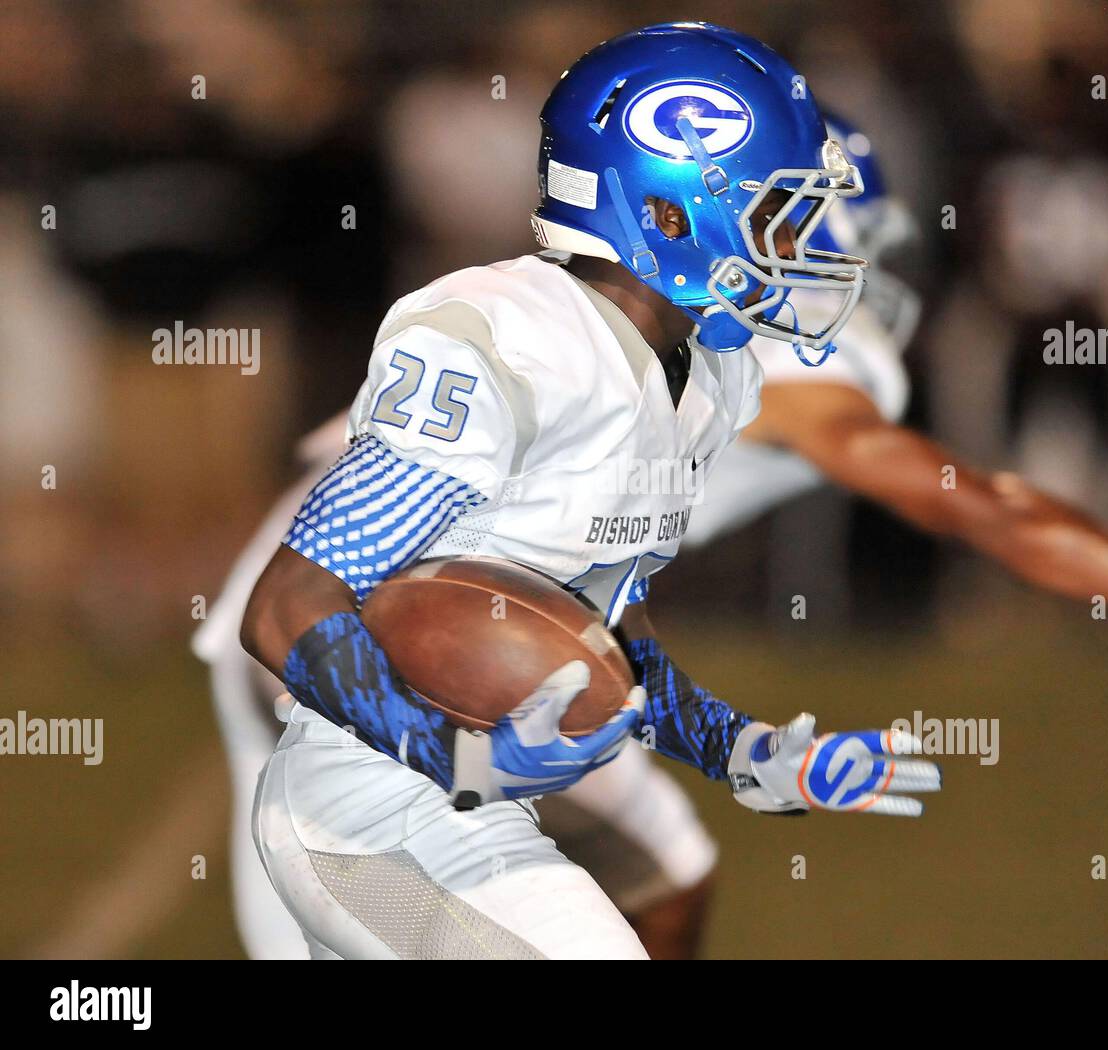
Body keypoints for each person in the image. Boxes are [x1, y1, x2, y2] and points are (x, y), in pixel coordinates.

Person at [235, 22, 941, 961]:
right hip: (365, 822)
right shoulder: (510, 339)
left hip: (458, 817)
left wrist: (750, 752)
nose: (802, 243)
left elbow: (605, 635)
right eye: (779, 212)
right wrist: (459, 757)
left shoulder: (705, 376)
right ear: (670, 213)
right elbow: (288, 601)